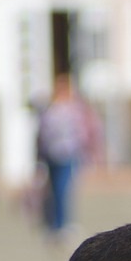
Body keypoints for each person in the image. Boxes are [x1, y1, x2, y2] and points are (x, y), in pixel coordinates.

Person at [35, 72, 100, 243]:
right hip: (52, 154)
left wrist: (90, 148)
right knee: (55, 190)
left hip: (69, 153)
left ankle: (63, 224)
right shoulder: (50, 108)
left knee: (63, 189)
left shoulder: (75, 108)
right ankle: (57, 224)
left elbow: (86, 129)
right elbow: (42, 133)